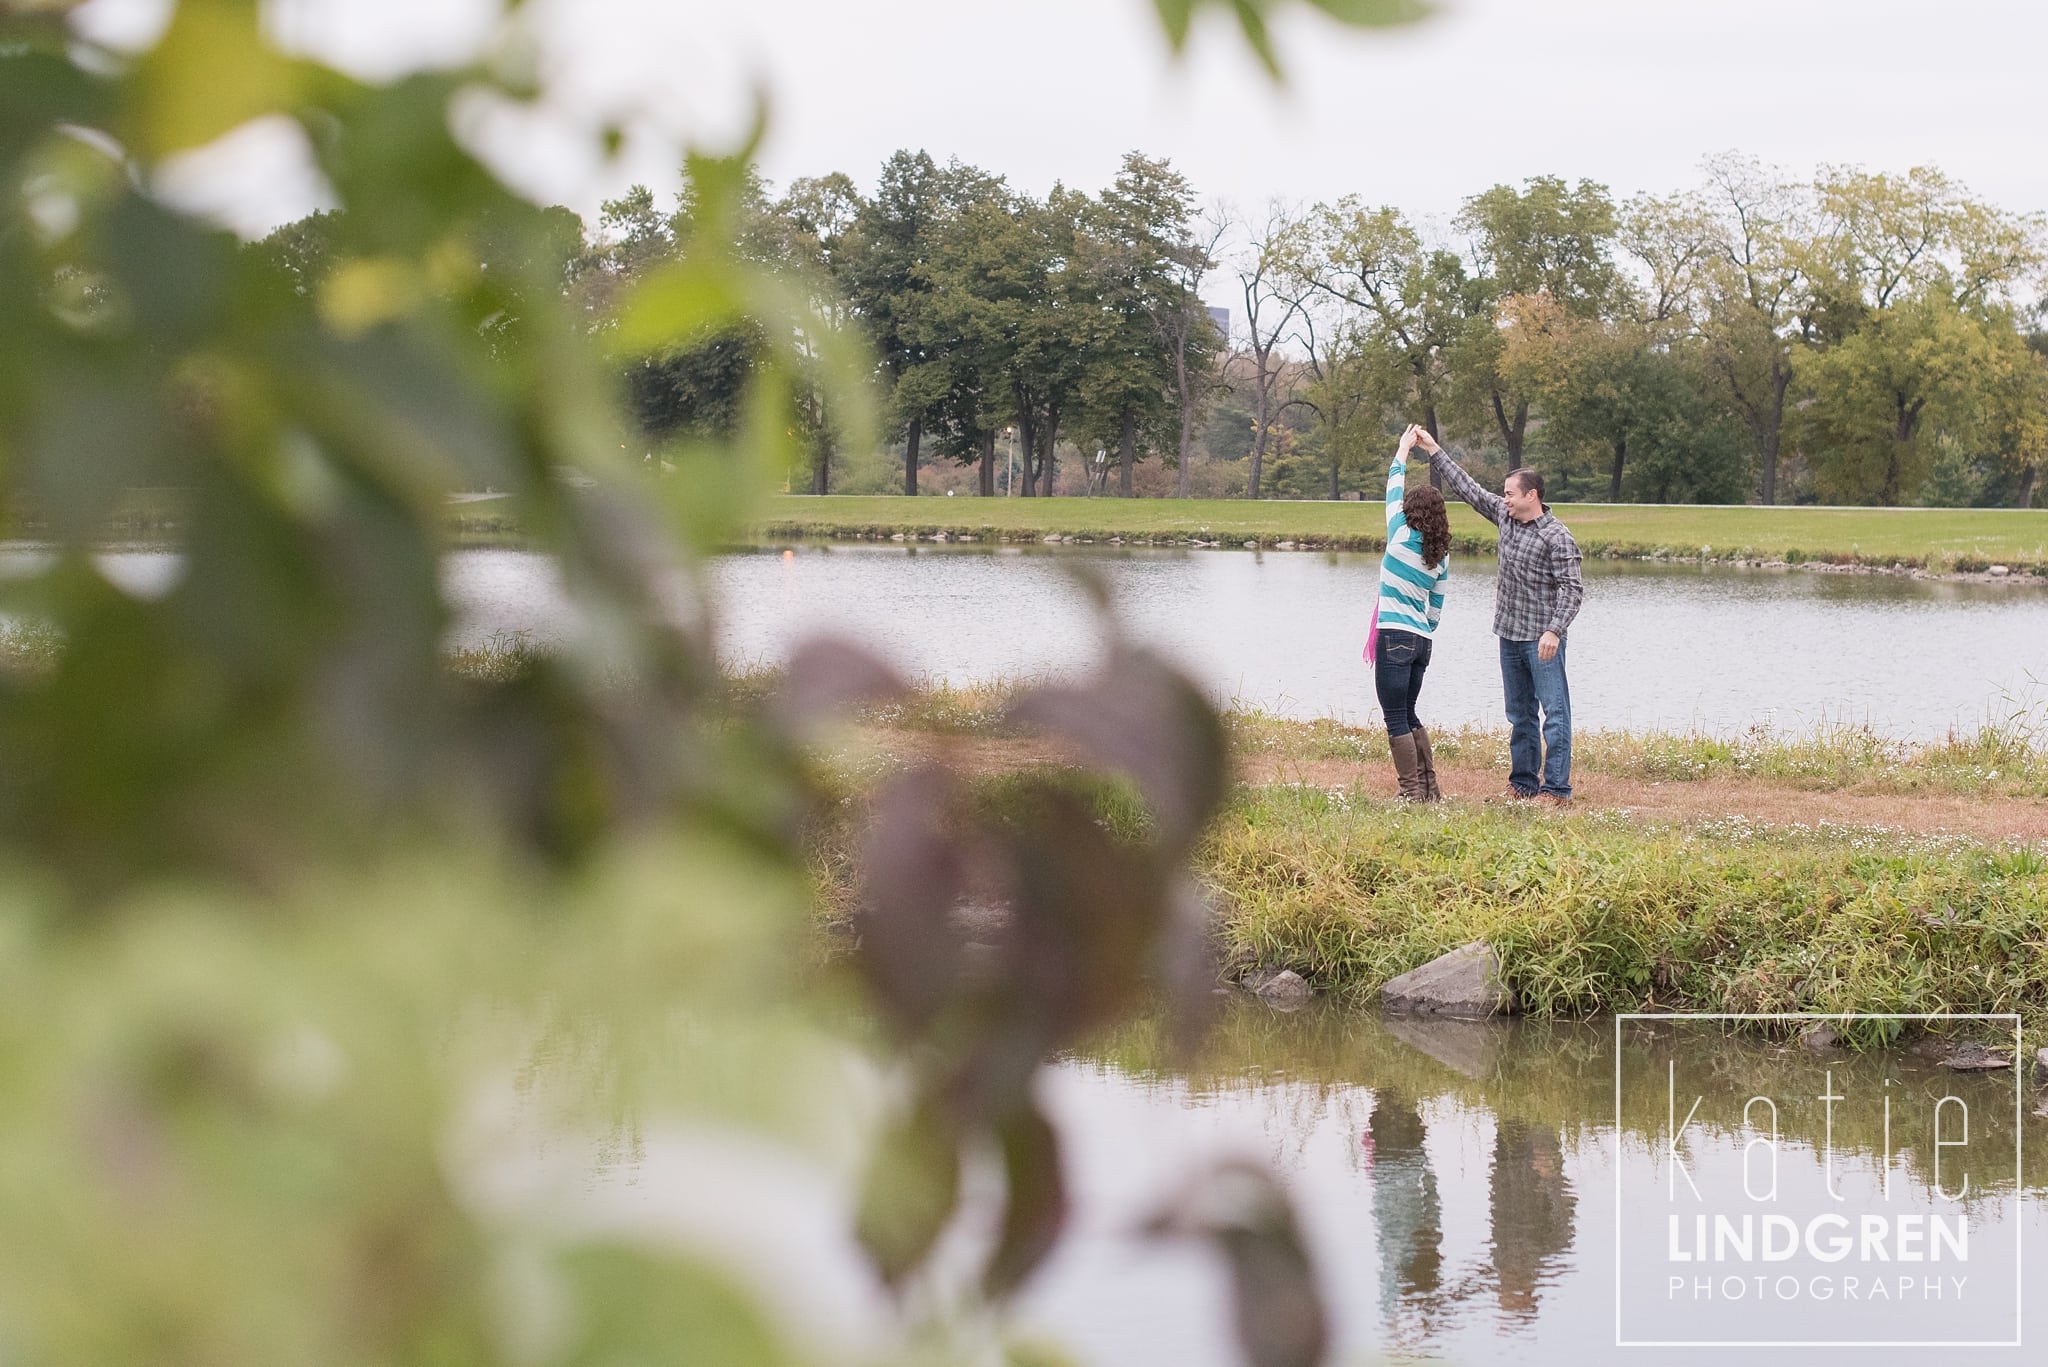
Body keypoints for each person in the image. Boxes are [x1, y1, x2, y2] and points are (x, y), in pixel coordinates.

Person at [1413, 430, 1583, 806]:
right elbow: (1468, 489)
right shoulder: (1506, 519)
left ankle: (1556, 791)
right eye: (1504, 494)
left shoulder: (1558, 537)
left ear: (1531, 495)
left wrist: (1555, 630)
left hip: (1542, 640)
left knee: (1555, 714)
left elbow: (1573, 590)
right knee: (1519, 714)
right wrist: (1434, 450)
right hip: (1508, 635)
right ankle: (1523, 784)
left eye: (1509, 492)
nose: (1503, 498)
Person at [1374, 425, 1452, 801]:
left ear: (1410, 512)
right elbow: (1435, 610)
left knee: (1394, 718)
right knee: (1409, 712)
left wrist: (1404, 449)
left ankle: (1410, 793)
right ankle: (1429, 791)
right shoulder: (1441, 556)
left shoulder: (1399, 533)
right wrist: (1422, 626)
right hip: (1422, 641)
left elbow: (1392, 485)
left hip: (1394, 637)